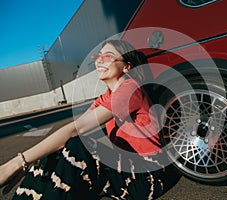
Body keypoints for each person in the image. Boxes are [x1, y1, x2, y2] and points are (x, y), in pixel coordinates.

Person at [0, 40, 180, 199]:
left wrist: (15, 164)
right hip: (126, 171)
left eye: (108, 56)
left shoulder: (130, 89)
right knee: (56, 150)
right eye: (98, 56)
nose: (99, 60)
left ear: (126, 67)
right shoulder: (106, 97)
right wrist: (26, 164)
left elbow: (75, 129)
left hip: (150, 176)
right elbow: (68, 132)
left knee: (78, 146)